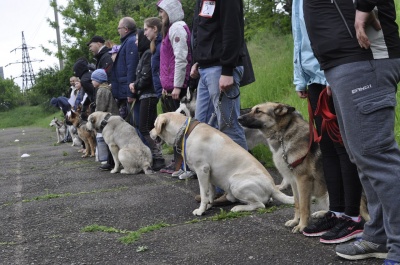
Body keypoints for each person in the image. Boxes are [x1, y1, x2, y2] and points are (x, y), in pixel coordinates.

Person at [303, 0, 400, 263]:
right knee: (362, 157)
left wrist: (366, 4)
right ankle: (379, 236)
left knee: (377, 156)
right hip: (345, 61)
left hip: (363, 54)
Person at [292, 0, 364, 244]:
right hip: (314, 75)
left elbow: (339, 26)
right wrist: (300, 77)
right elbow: (299, 34)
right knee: (328, 147)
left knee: (343, 145)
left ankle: (353, 217)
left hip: (334, 72)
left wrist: (333, 74)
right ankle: (338, 211)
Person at [191, 0, 248, 150]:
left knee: (229, 126)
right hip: (206, 68)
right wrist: (198, 60)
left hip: (220, 68)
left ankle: (245, 172)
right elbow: (204, 32)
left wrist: (228, 70)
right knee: (200, 127)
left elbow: (232, 30)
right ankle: (206, 171)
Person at [156, 0, 194, 179]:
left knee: (181, 129)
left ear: (170, 11)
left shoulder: (177, 27)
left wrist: (177, 86)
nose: (160, 15)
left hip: (177, 88)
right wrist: (166, 86)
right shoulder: (171, 29)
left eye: (162, 11)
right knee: (175, 129)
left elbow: (181, 59)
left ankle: (186, 165)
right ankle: (179, 163)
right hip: (170, 88)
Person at [129, 29, 166, 171]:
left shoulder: (147, 55)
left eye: (138, 39)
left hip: (148, 95)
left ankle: (159, 158)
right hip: (145, 95)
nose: (137, 42)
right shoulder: (144, 54)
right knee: (148, 127)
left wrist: (135, 85)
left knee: (144, 127)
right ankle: (157, 157)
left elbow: (146, 76)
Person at [110, 17, 139, 124]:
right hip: (125, 90)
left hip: (128, 91)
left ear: (126, 29)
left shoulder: (130, 42)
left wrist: (130, 93)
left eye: (119, 28)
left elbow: (131, 67)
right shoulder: (127, 42)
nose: (118, 31)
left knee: (136, 124)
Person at [143, 17, 163, 99]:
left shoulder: (162, 45)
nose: (144, 33)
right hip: (160, 91)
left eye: (146, 29)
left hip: (165, 90)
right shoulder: (155, 46)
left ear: (154, 28)